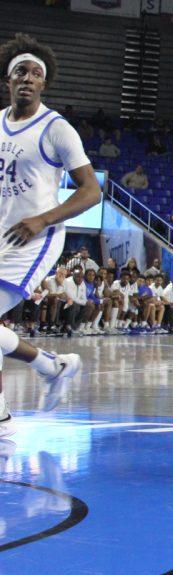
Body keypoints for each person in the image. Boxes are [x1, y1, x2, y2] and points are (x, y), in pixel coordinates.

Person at [0, 35, 98, 435]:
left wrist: (42, 220)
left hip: (35, 240)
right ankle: (48, 370)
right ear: (8, 79)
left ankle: (47, 367)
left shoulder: (57, 128)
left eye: (36, 73)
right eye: (21, 71)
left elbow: (91, 190)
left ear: (44, 83)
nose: (28, 78)